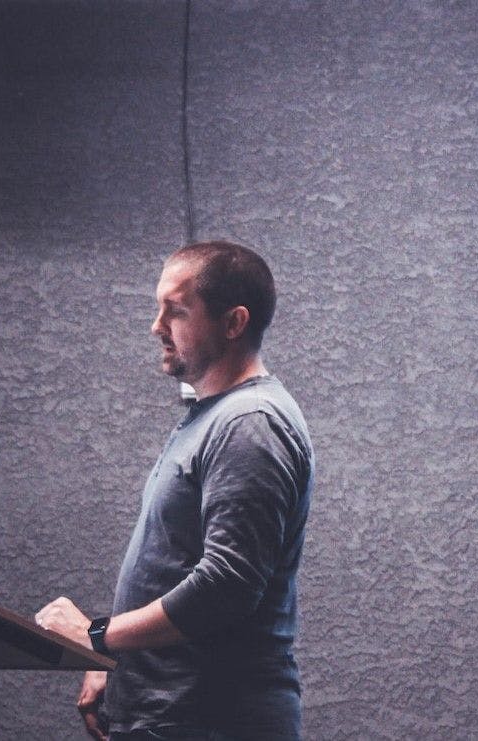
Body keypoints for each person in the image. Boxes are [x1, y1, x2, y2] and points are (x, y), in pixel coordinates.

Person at [36, 241, 314, 741]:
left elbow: (227, 586)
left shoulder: (249, 425)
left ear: (233, 323)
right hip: (175, 717)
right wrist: (112, 654)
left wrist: (97, 635)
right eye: (158, 308)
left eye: (177, 311)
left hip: (213, 720)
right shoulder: (212, 418)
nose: (156, 326)